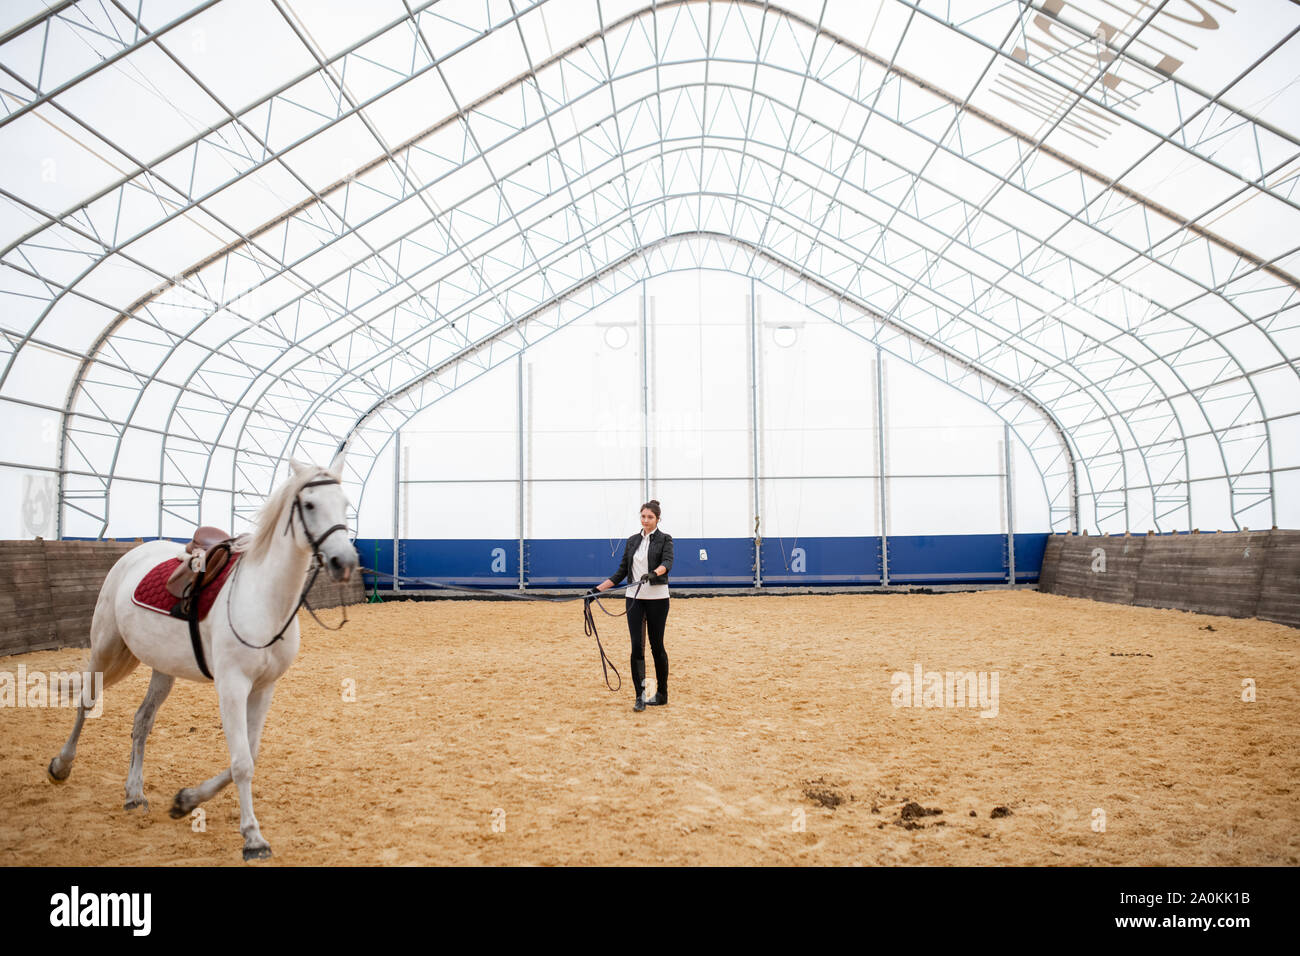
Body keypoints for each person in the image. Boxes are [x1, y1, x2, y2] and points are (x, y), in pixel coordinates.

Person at [593, 500, 673, 712]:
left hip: (658, 599)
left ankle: (661, 694)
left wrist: (654, 573)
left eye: (650, 517)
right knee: (637, 647)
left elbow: (667, 563)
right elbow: (621, 573)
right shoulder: (632, 541)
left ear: (657, 519)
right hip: (634, 599)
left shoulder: (666, 539)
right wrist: (596, 591)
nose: (646, 520)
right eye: (643, 516)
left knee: (657, 647)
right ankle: (641, 696)